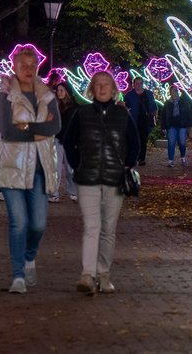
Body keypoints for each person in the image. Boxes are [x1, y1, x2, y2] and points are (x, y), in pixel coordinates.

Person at [0, 46, 60, 293]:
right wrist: (38, 130)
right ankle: (17, 274)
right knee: (18, 221)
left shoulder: (47, 95)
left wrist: (25, 127)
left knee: (38, 224)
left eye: (32, 65)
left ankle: (30, 257)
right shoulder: (4, 95)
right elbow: (8, 132)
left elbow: (55, 128)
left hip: (40, 168)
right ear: (14, 67)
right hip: (11, 166)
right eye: (23, 65)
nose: (28, 70)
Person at [62, 72, 140, 296]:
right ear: (92, 89)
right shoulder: (82, 114)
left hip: (115, 180)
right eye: (98, 85)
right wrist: (78, 165)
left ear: (114, 89)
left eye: (107, 84)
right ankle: (87, 274)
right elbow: (68, 142)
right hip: (88, 178)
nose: (103, 88)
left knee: (108, 229)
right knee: (91, 227)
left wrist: (126, 165)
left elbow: (134, 144)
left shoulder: (123, 115)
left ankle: (104, 274)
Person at [50, 82, 78, 203]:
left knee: (70, 168)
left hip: (70, 141)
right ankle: (53, 193)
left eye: (62, 90)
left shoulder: (74, 107)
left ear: (67, 91)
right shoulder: (55, 106)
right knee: (55, 168)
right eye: (58, 90)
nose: (59, 92)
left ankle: (73, 191)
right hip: (57, 139)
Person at [160, 85, 192, 167]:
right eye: (173, 91)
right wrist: (163, 127)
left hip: (182, 125)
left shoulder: (183, 102)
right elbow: (163, 116)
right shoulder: (167, 103)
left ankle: (183, 157)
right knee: (171, 143)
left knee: (182, 142)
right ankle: (171, 160)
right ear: (170, 93)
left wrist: (190, 127)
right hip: (171, 125)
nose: (175, 93)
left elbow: (188, 114)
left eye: (176, 91)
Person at [123, 77, 157, 166]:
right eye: (136, 83)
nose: (138, 85)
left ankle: (142, 158)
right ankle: (134, 157)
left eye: (140, 83)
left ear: (142, 84)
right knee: (133, 140)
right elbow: (125, 107)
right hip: (133, 120)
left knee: (143, 140)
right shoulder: (129, 95)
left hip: (145, 121)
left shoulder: (148, 94)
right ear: (133, 84)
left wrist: (153, 114)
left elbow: (153, 105)